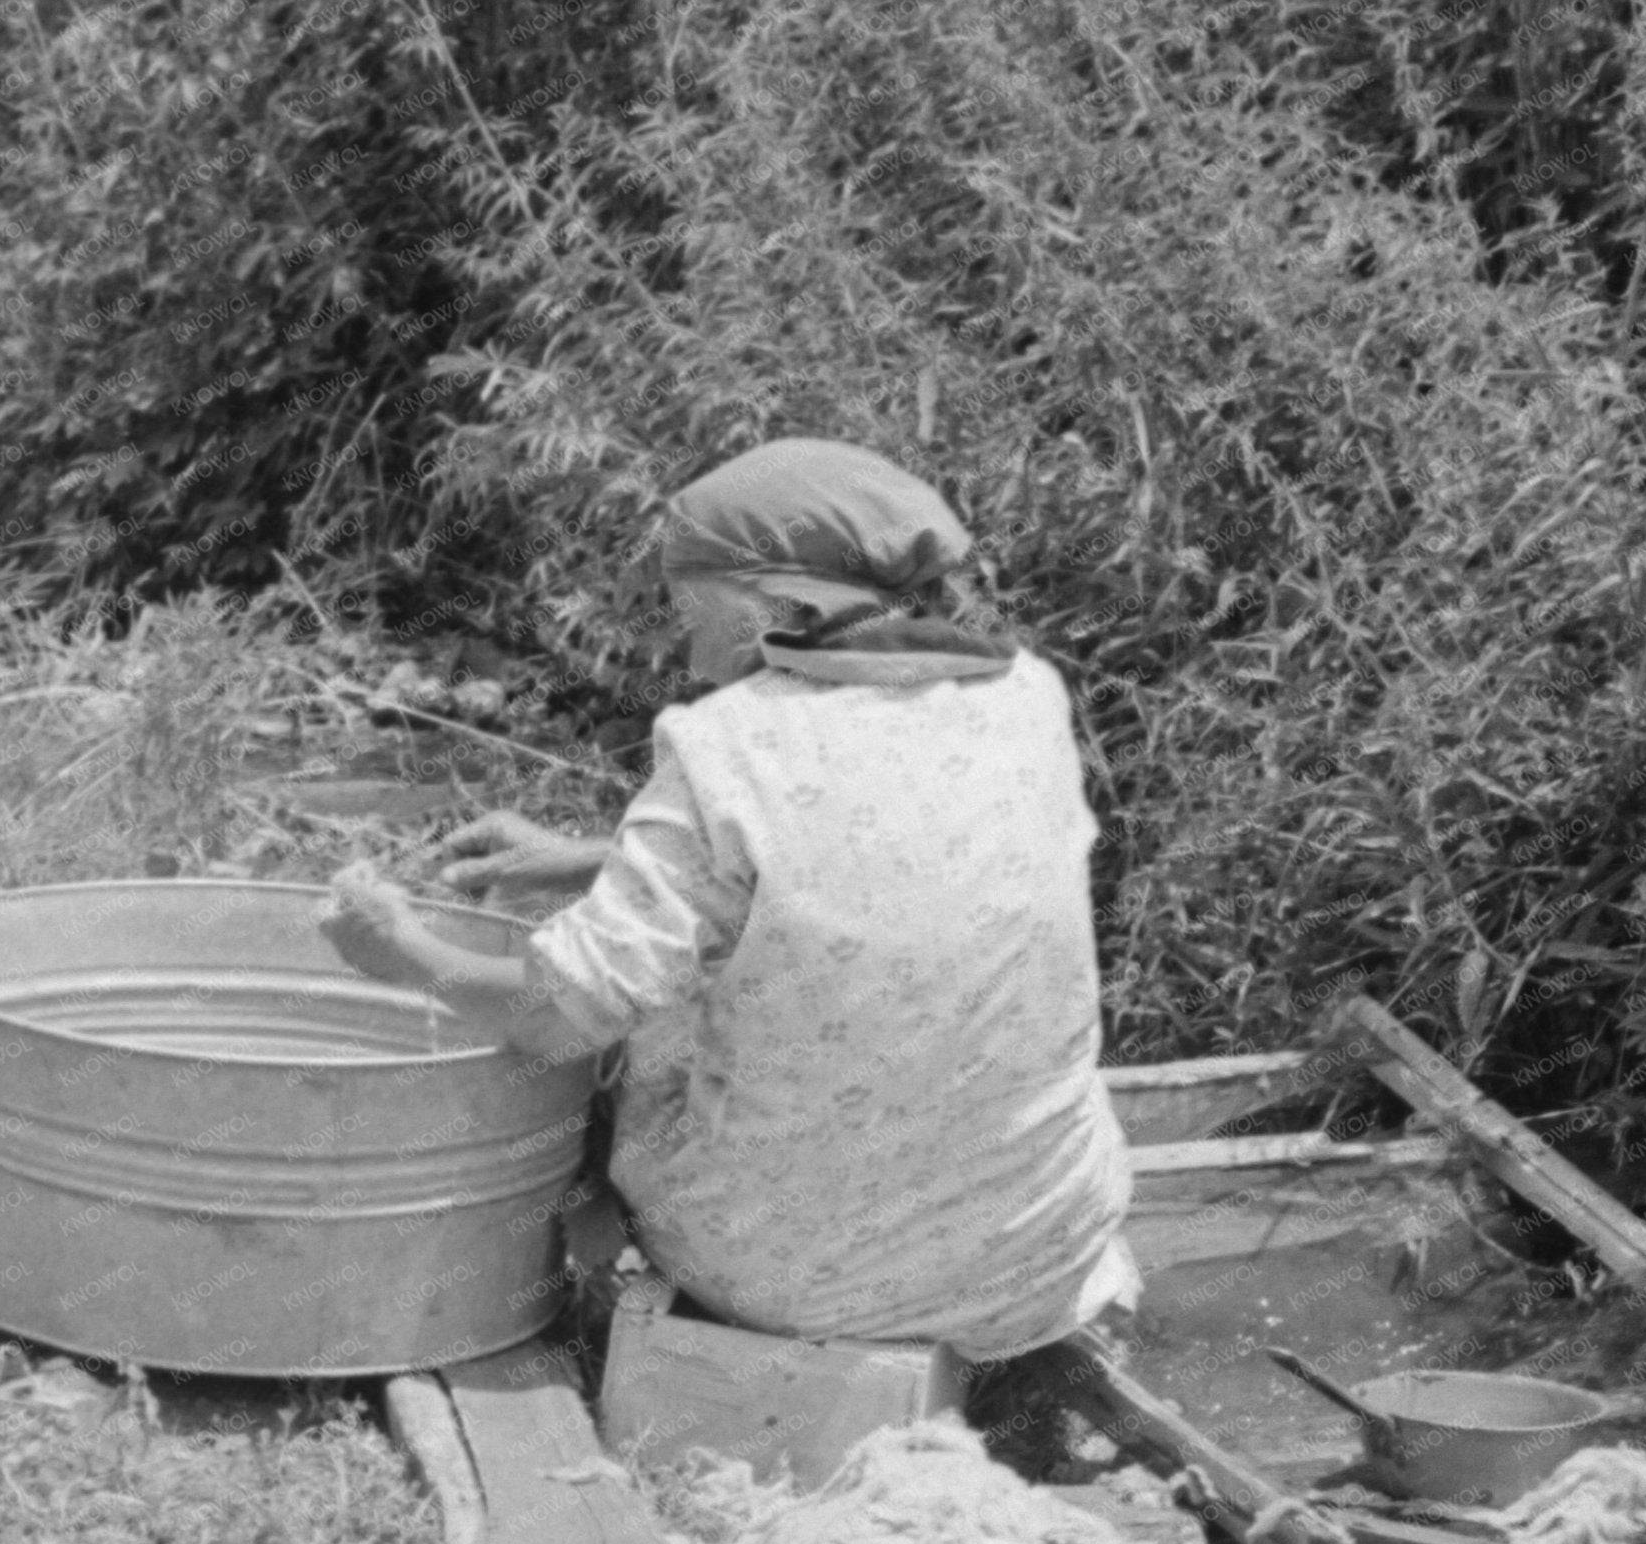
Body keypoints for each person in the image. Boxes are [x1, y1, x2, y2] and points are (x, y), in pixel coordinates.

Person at [317, 437, 1137, 1369]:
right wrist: (589, 859)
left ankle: (579, 1281)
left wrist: (402, 952)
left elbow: (558, 1016)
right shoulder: (1026, 693)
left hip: (796, 1277)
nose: (685, 637)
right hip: (1038, 1256)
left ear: (775, 601)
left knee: (645, 1024)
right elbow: (879, 855)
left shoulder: (725, 744)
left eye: (688, 603)